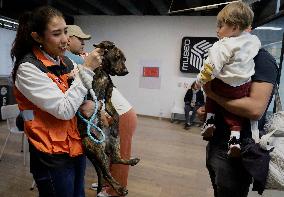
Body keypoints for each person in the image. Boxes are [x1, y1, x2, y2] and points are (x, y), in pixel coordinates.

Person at [10, 6, 103, 197]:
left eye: (66, 31)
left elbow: (81, 97)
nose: (65, 39)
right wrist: (86, 70)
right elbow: (64, 110)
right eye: (56, 33)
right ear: (37, 37)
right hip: (50, 155)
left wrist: (94, 105)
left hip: (75, 146)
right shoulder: (28, 69)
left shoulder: (66, 63)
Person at [197, 49, 278, 196]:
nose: (218, 30)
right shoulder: (225, 56)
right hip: (215, 141)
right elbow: (226, 96)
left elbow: (255, 109)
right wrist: (208, 111)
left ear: (246, 26)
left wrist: (212, 95)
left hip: (238, 149)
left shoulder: (262, 59)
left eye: (224, 25)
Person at [195, 2, 261, 156]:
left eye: (221, 26)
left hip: (223, 85)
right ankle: (235, 138)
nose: (217, 30)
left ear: (235, 27)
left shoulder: (222, 45)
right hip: (242, 87)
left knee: (210, 88)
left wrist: (199, 81)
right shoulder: (254, 41)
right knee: (234, 111)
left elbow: (210, 69)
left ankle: (209, 120)